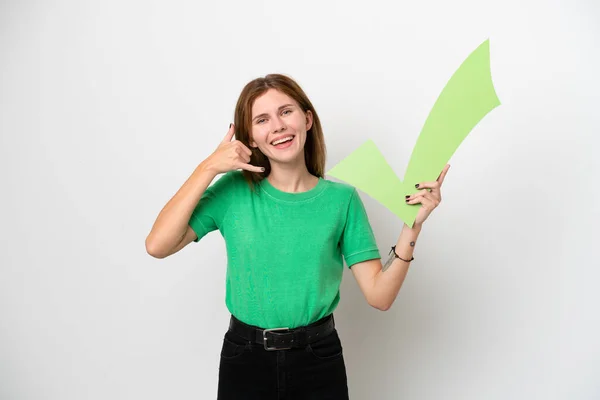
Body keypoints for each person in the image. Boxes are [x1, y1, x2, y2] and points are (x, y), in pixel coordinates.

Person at [145, 73, 450, 399]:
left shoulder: (341, 200)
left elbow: (380, 296)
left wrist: (412, 227)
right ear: (250, 138)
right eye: (262, 119)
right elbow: (157, 245)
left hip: (318, 359)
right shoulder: (232, 192)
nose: (277, 125)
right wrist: (208, 167)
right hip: (245, 358)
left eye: (285, 111)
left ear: (307, 119)